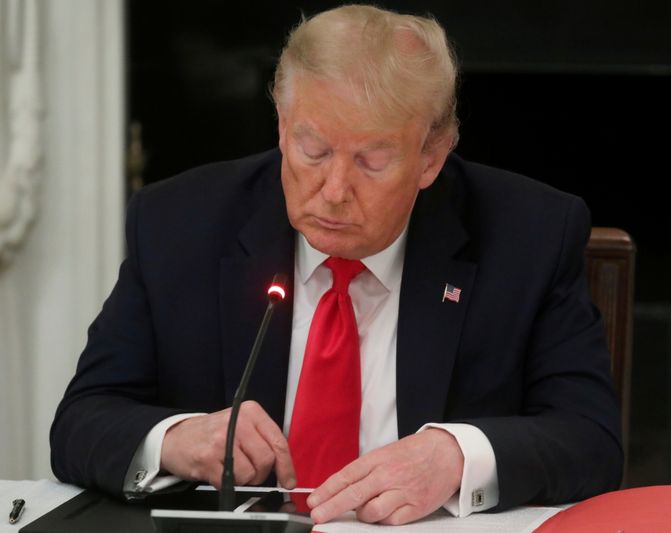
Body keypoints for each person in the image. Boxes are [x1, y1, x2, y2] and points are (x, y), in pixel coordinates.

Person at [50, 4, 622, 526]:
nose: (334, 190)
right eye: (313, 150)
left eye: (372, 161)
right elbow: (81, 423)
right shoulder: (180, 224)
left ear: (432, 156)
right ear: (281, 124)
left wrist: (454, 456)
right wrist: (176, 438)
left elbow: (592, 441)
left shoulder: (530, 235)